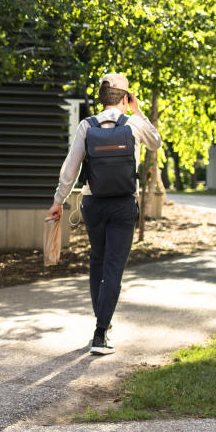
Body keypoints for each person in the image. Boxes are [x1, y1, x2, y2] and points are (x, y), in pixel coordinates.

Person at [47, 73, 161, 356]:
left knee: (97, 260)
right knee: (113, 267)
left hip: (93, 203)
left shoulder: (87, 125)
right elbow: (155, 143)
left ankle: (102, 324)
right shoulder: (133, 123)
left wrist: (58, 200)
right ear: (126, 97)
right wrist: (138, 110)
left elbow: (70, 167)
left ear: (101, 98)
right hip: (124, 204)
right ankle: (101, 332)